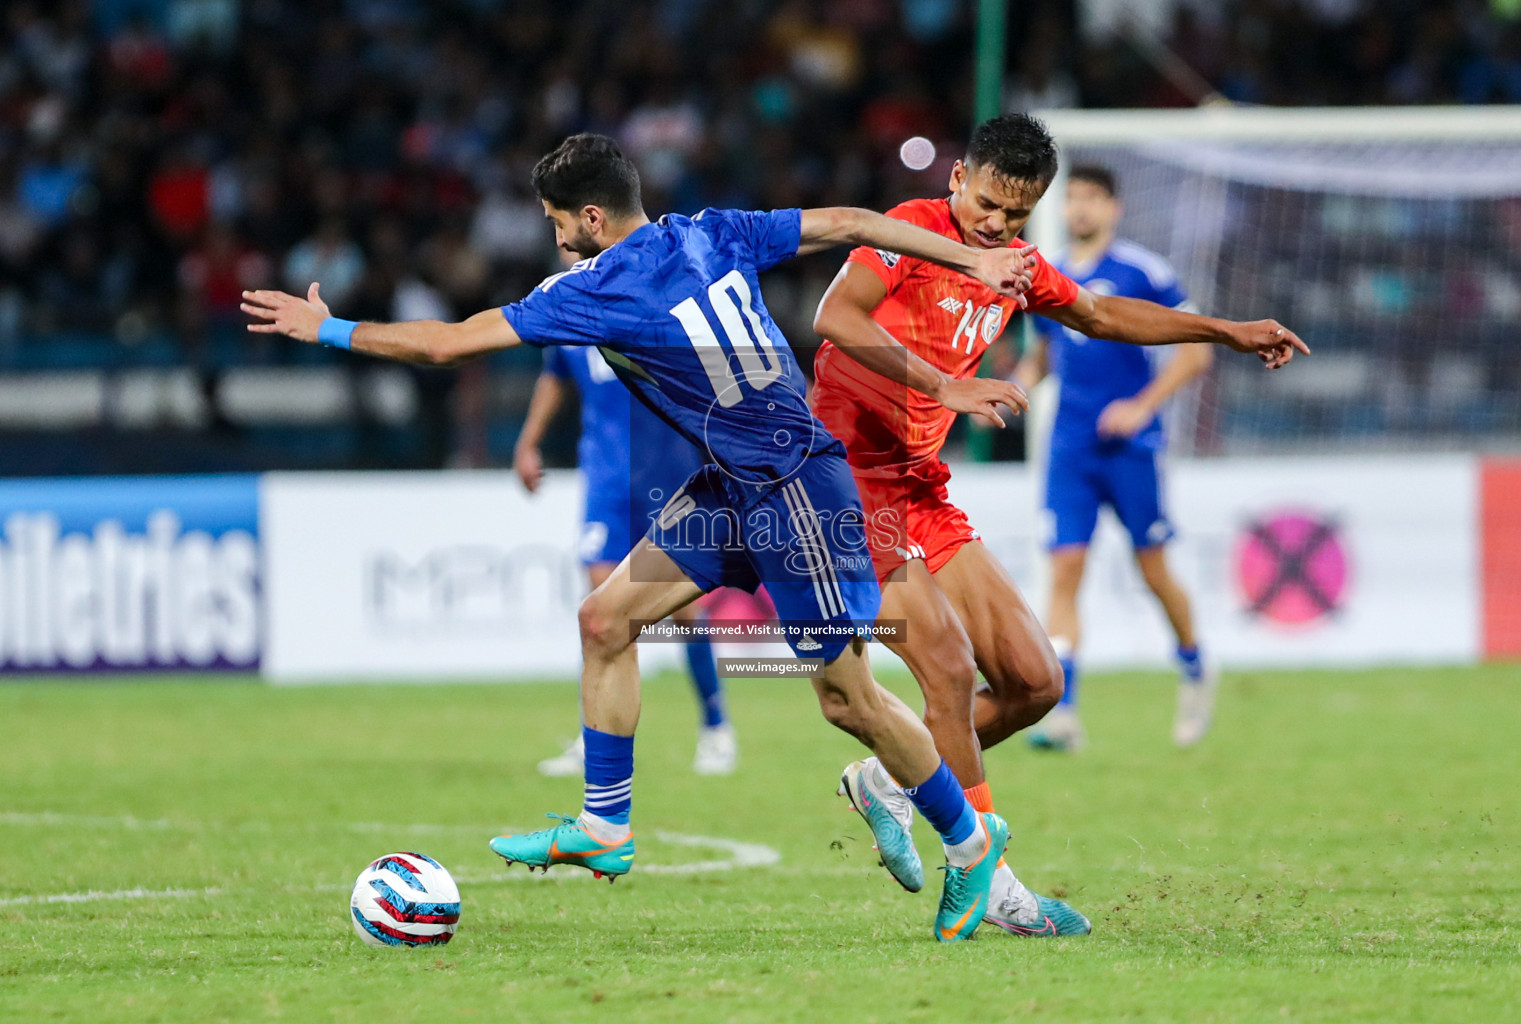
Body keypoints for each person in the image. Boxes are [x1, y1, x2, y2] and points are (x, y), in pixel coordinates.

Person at [244, 132, 1042, 942]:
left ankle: (972, 847)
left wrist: (331, 329)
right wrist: (967, 259)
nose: (555, 238)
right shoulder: (707, 229)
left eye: (559, 221)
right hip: (734, 484)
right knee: (605, 619)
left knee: (850, 701)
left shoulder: (594, 288)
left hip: (796, 488)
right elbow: (848, 220)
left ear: (592, 216)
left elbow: (448, 343)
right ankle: (605, 828)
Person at [810, 114, 1306, 935]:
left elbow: (1105, 316)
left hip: (919, 490)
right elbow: (836, 316)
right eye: (989, 203)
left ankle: (891, 783)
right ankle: (993, 882)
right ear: (959, 175)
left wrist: (1225, 330)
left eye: (1017, 213)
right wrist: (946, 385)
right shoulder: (913, 230)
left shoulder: (1017, 267)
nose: (998, 225)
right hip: (842, 485)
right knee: (947, 669)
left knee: (1036, 683)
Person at [1016, 163, 1217, 752]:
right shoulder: (1044, 274)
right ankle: (1063, 711)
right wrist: (1019, 383)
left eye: (1092, 199)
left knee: (1153, 571)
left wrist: (1140, 405)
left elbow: (1196, 353)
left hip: (1131, 448)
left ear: (1114, 208)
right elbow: (1047, 352)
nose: (1079, 208)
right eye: (1072, 198)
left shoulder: (1143, 271)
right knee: (1065, 572)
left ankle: (1194, 665)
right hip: (1070, 447)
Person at [517, 342, 736, 776]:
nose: (564, 266)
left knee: (686, 613)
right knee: (600, 611)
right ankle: (595, 739)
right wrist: (529, 442)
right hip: (607, 479)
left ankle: (716, 727)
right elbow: (554, 376)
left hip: (668, 475)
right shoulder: (567, 314)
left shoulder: (644, 294)